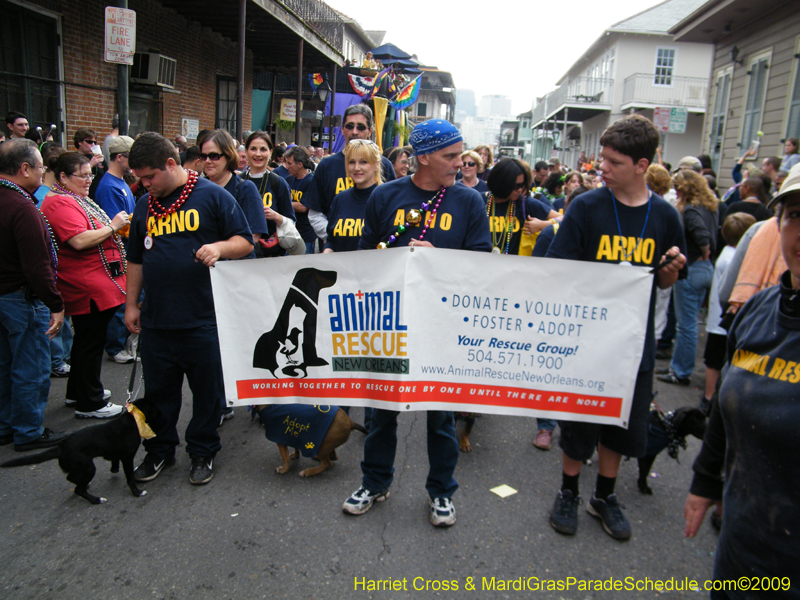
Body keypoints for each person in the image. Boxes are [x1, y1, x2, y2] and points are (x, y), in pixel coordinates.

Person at [343, 119, 492, 528]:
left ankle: (442, 491)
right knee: (381, 412)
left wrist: (436, 260)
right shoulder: (385, 196)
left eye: (461, 155)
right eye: (450, 156)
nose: (461, 164)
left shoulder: (469, 202)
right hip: (390, 323)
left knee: (440, 417)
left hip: (441, 326)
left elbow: (481, 266)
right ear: (423, 157)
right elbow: (363, 257)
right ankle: (374, 482)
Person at [546, 114, 686, 541]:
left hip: (633, 344)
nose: (600, 168)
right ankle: (569, 490)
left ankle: (603, 495)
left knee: (620, 424)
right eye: (601, 158)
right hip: (587, 342)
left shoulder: (664, 217)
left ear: (642, 165)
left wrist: (669, 273)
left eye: (612, 161)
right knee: (580, 423)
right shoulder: (586, 207)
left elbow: (666, 282)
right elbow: (557, 269)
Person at [683, 162, 800, 595]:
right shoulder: (759, 309)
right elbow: (726, 408)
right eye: (795, 215)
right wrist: (704, 482)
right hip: (742, 546)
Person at [125, 132, 254, 486]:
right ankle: (159, 451)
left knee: (207, 394)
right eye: (140, 178)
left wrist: (219, 248)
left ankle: (202, 451)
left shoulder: (214, 196)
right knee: (159, 394)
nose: (145, 184)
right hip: (157, 320)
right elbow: (135, 257)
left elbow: (245, 242)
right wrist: (131, 304)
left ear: (171, 164)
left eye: (150, 176)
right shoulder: (144, 204)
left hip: (204, 319)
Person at [40, 152, 129, 419]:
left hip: (94, 281)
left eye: (90, 174)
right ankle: (89, 402)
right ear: (63, 177)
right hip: (86, 284)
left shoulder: (71, 198)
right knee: (90, 343)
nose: (89, 180)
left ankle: (77, 391)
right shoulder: (59, 204)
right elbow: (78, 240)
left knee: (86, 341)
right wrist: (113, 227)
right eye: (82, 175)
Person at [0, 138, 67, 451]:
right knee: (31, 367)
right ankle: (27, 431)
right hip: (22, 299)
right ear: (24, 168)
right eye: (41, 167)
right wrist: (55, 304)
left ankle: (5, 425)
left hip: (4, 297)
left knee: (4, 365)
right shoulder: (22, 207)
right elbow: (37, 265)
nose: (44, 173)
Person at [656, 170, 720, 386]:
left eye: (678, 187)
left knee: (686, 325)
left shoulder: (691, 210)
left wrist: (703, 253)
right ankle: (678, 365)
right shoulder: (710, 206)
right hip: (704, 268)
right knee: (688, 323)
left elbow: (703, 236)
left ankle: (681, 371)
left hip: (694, 268)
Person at [304, 104, 396, 244]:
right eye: (349, 126)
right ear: (342, 129)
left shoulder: (385, 165)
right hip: (337, 254)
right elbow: (315, 212)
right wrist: (333, 238)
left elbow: (393, 212)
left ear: (369, 130)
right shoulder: (326, 166)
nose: (354, 131)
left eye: (360, 127)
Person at [699, 212, 755, 414]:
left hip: (717, 318)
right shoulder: (737, 257)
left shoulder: (727, 253)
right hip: (722, 320)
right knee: (716, 362)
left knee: (714, 361)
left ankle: (709, 397)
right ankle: (710, 398)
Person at [94, 135, 137, 366]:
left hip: (129, 247)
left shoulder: (121, 182)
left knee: (129, 297)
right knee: (122, 299)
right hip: (120, 250)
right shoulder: (110, 186)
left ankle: (123, 343)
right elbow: (116, 225)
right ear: (119, 157)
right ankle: (115, 346)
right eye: (132, 157)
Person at [201, 129, 268, 246]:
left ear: (228, 155)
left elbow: (254, 236)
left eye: (214, 156)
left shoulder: (245, 188)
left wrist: (219, 249)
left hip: (233, 261)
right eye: (203, 156)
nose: (207, 161)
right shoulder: (197, 188)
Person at [240, 131, 295, 255]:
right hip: (242, 255)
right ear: (247, 151)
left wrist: (275, 216)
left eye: (263, 149)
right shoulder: (238, 182)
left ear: (270, 152)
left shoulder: (278, 183)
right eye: (253, 149)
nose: (258, 154)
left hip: (272, 255)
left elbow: (291, 222)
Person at [324, 139, 382, 253]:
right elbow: (331, 239)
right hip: (340, 269)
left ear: (376, 164)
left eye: (363, 162)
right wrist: (327, 251)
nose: (356, 168)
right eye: (351, 162)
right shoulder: (340, 199)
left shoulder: (385, 199)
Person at [284, 146, 318, 255]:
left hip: (305, 235)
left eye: (289, 163)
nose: (287, 166)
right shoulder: (288, 179)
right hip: (289, 234)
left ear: (300, 164)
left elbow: (303, 207)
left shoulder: (312, 181)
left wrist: (283, 202)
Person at [73, 128, 105, 199]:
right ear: (80, 142)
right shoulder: (75, 158)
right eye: (89, 142)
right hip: (84, 197)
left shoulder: (97, 156)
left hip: (100, 196)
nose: (93, 145)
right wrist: (90, 165)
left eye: (94, 142)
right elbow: (75, 176)